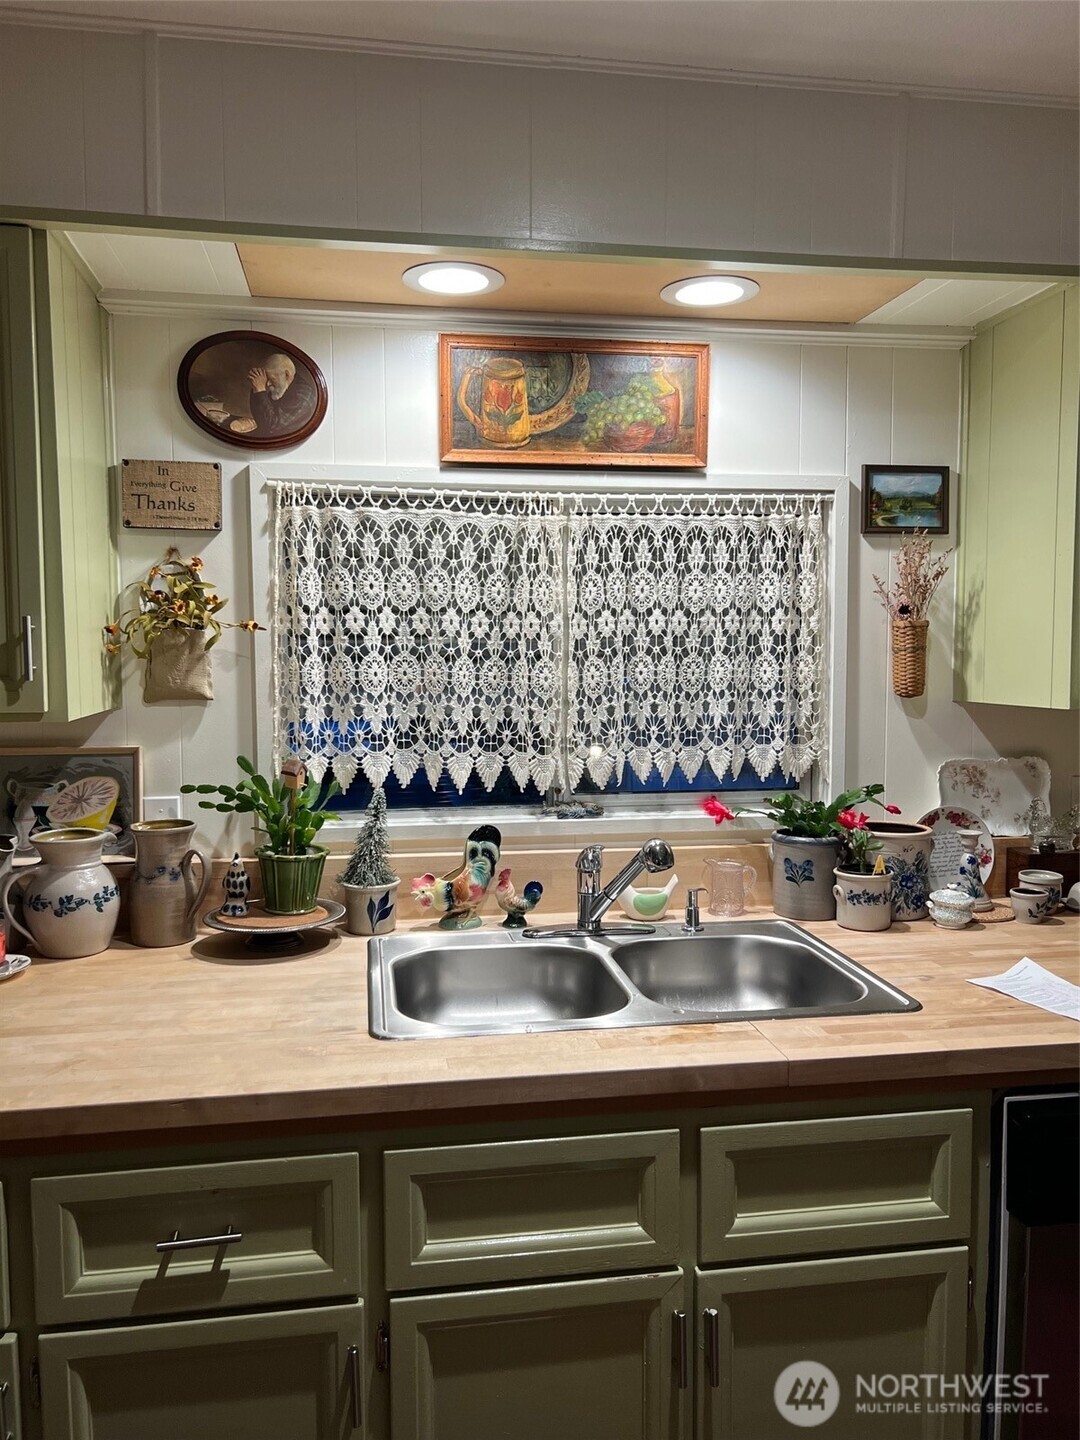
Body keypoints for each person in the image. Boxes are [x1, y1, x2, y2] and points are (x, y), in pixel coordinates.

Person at [247, 352, 317, 437]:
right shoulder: (281, 388)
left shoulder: (302, 397)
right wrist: (256, 388)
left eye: (272, 379)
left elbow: (272, 426)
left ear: (287, 375)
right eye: (267, 379)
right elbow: (260, 419)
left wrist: (260, 390)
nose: (268, 384)